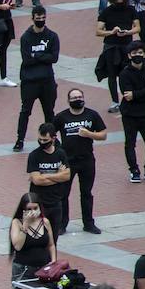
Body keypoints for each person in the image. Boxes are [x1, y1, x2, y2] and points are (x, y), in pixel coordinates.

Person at [57, 88, 106, 235]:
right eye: (74, 97)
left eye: (79, 96)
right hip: (68, 162)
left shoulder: (92, 115)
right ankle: (62, 224)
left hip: (87, 160)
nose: (77, 99)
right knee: (63, 194)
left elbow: (103, 135)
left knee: (86, 193)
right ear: (69, 101)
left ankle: (89, 223)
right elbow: (51, 133)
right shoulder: (61, 117)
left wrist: (89, 134)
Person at [14, 7, 60, 152]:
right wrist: (43, 56)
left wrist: (37, 56)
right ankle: (20, 139)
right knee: (25, 111)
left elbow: (54, 58)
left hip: (47, 81)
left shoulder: (52, 36)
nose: (40, 21)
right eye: (37, 18)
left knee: (49, 111)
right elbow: (27, 59)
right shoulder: (26, 37)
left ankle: (52, 138)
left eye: (42, 18)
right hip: (29, 81)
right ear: (32, 18)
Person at [118, 43, 145, 183]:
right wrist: (142, 93)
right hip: (129, 115)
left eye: (140, 52)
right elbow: (127, 95)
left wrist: (135, 94)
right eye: (134, 52)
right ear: (129, 55)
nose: (138, 55)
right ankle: (134, 170)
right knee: (130, 144)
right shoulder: (124, 74)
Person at [25, 124, 71, 236]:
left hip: (56, 202)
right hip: (38, 204)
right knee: (37, 237)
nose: (42, 142)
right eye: (40, 139)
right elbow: (37, 180)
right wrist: (58, 175)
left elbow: (67, 176)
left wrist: (46, 176)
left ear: (53, 138)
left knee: (53, 239)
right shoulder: (34, 155)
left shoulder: (60, 154)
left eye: (45, 140)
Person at [7, 193, 56, 281]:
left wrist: (53, 261)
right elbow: (18, 246)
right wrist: (25, 225)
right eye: (29, 209)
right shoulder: (17, 223)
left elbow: (51, 244)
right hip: (23, 270)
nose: (32, 212)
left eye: (35, 208)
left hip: (43, 269)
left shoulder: (45, 222)